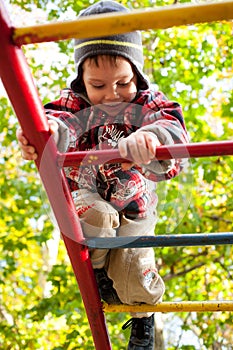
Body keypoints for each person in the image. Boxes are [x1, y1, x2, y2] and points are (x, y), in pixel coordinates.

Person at [17, 1, 189, 348]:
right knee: (94, 215)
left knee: (134, 268)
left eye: (123, 83)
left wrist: (152, 137)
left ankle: (142, 322)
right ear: (81, 79)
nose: (111, 94)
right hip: (89, 195)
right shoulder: (75, 103)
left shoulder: (148, 102)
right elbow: (55, 125)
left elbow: (175, 131)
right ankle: (96, 271)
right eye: (97, 85)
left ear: (137, 76)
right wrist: (42, 133)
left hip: (136, 203)